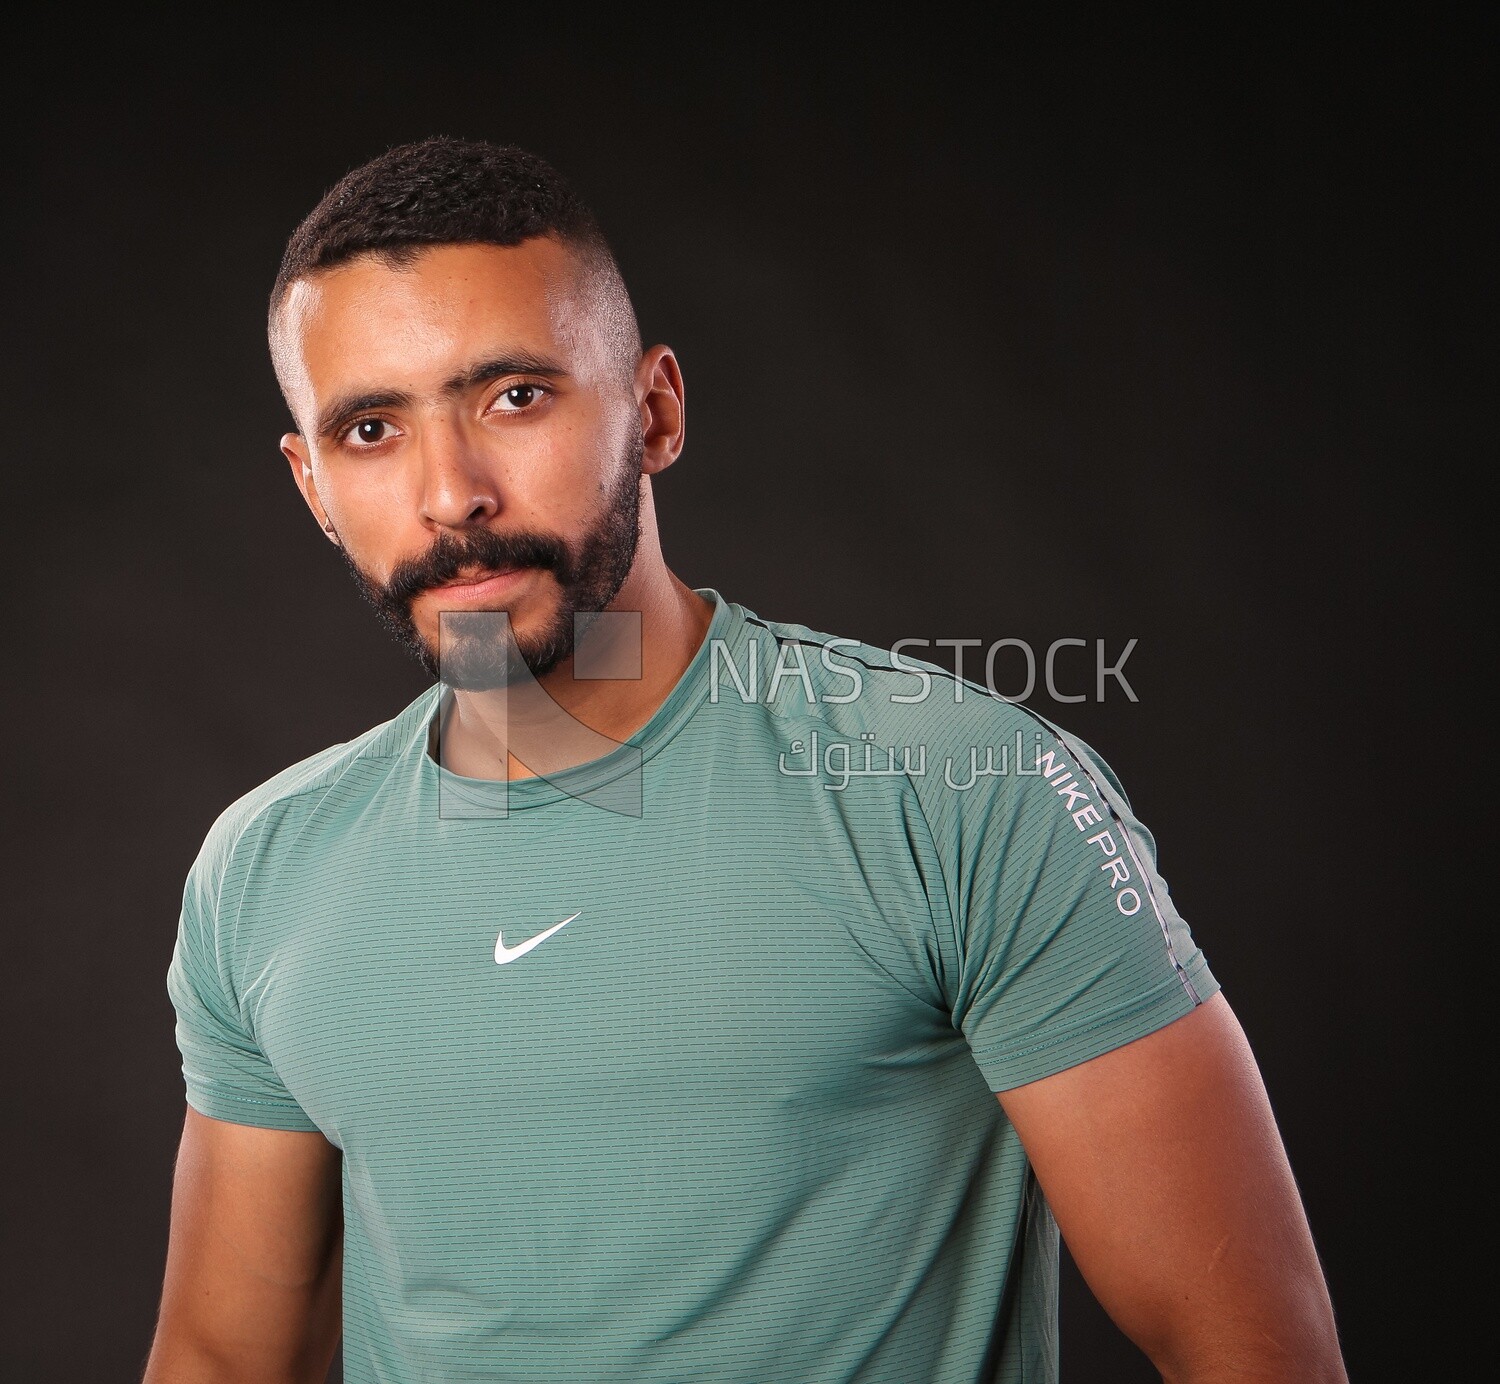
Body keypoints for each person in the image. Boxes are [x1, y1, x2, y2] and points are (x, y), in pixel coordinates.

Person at [143, 138, 1347, 1384]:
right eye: (373, 427)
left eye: (514, 397)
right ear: (313, 486)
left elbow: (1253, 1348)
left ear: (653, 410)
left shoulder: (955, 786)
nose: (453, 493)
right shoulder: (267, 866)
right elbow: (225, 1357)